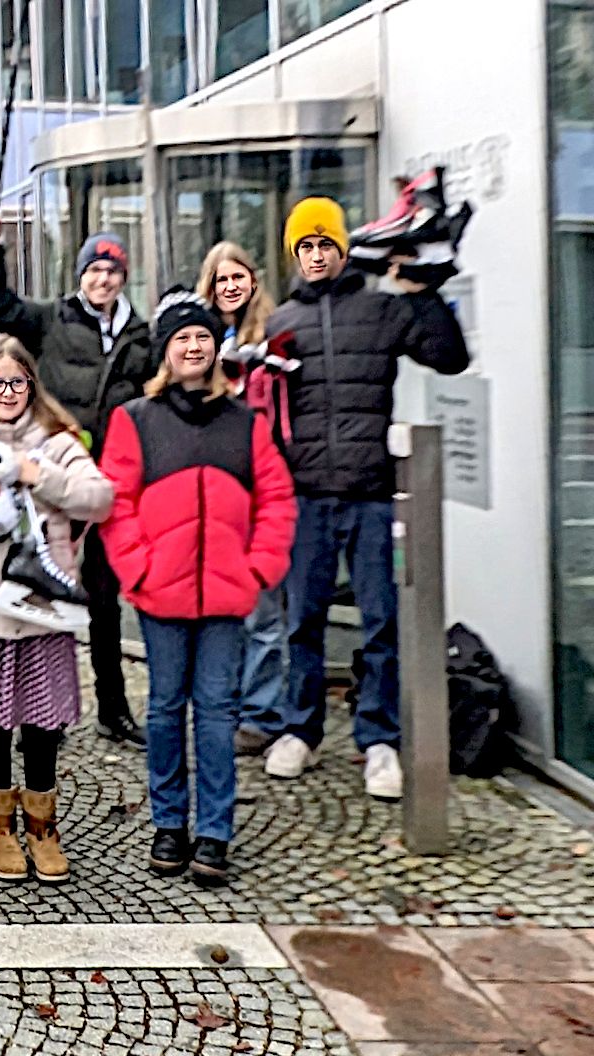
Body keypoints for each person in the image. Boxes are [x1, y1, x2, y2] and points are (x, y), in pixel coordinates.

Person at [259, 198, 470, 799]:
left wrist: (423, 289)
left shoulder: (381, 309)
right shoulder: (281, 323)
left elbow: (450, 358)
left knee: (381, 622)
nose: (317, 255)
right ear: (295, 255)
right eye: (306, 246)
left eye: (326, 244)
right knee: (302, 620)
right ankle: (300, 730)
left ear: (343, 248)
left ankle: (379, 739)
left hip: (373, 494)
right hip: (305, 497)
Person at [99, 288, 296, 888]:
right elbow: (116, 505)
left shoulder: (246, 423)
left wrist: (258, 569)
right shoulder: (135, 420)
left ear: (216, 348)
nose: (193, 346)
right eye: (182, 337)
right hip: (162, 596)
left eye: (203, 337)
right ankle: (168, 823)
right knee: (163, 710)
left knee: (216, 714)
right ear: (165, 350)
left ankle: (214, 831)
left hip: (226, 598)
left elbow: (277, 501)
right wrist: (138, 570)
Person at [0, 219, 155, 748]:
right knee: (38, 590)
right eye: (94, 269)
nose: (103, 279)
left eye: (112, 270)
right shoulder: (52, 319)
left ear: (124, 277)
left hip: (111, 485)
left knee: (103, 598)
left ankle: (113, 707)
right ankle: (33, 709)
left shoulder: (140, 335)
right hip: (54, 479)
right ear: (81, 275)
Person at [0, 336, 111, 886]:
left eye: (17, 382)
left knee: (43, 720)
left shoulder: (58, 441)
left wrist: (37, 474)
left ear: (31, 386)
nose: (7, 392)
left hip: (47, 606)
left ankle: (42, 825)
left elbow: (100, 498)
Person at [194, 243, 289, 756]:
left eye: (238, 278)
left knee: (263, 611)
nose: (229, 287)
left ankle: (262, 711)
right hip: (209, 493)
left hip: (258, 490)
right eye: (220, 279)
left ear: (253, 282)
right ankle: (220, 705)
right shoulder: (196, 339)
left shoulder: (273, 335)